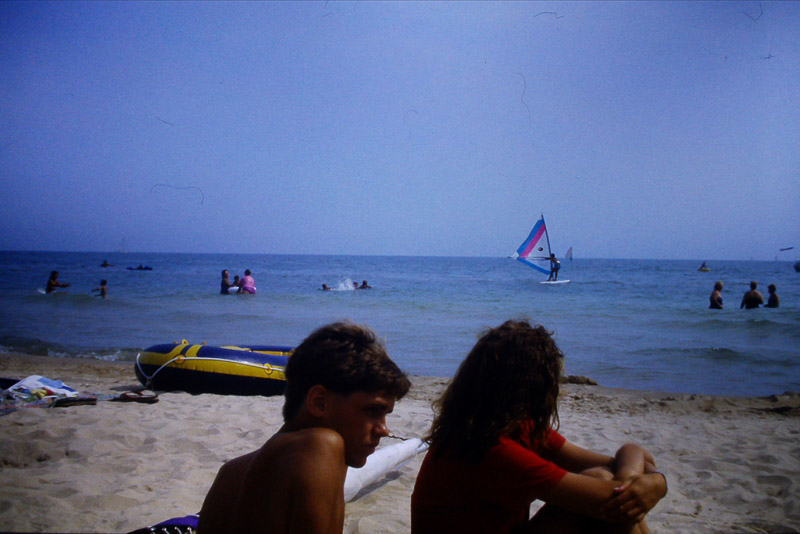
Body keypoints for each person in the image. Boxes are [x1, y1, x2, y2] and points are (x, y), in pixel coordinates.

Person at [411, 320, 667, 534]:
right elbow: (614, 496)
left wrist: (653, 481)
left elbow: (623, 461)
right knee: (613, 497)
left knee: (614, 486)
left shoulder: (515, 428)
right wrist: (647, 483)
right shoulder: (485, 448)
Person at [198, 322, 411, 534]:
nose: (384, 430)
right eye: (372, 410)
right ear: (319, 403)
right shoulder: (320, 446)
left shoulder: (233, 471)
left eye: (386, 414)